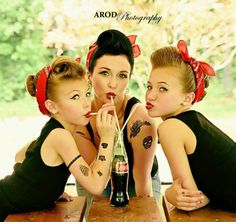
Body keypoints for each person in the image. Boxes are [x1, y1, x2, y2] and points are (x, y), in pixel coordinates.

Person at [0, 56, 116, 221]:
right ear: (52, 106)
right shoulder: (60, 136)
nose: (86, 103)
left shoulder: (54, 131)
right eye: (75, 97)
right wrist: (107, 138)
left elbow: (20, 155)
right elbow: (96, 186)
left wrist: (48, 189)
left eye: (87, 93)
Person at [74, 29, 161, 217]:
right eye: (105, 73)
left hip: (137, 181)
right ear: (89, 76)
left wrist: (145, 217)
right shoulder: (80, 120)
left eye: (122, 75)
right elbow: (97, 182)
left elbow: (142, 182)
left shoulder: (141, 120)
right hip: (96, 177)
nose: (113, 84)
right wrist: (107, 136)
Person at [145, 39, 236, 211]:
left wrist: (169, 194)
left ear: (187, 98)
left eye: (162, 89)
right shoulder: (195, 121)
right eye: (149, 86)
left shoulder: (170, 128)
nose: (150, 95)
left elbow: (190, 199)